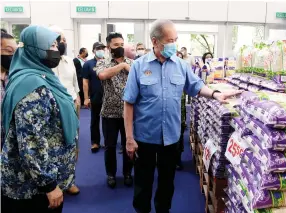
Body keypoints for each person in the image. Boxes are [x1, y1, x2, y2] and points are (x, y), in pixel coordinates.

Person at [123, 19, 242, 213]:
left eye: (175, 39)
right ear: (155, 41)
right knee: (143, 184)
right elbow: (128, 103)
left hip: (171, 137)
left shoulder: (180, 65)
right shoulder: (138, 66)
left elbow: (195, 86)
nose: (173, 44)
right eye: (169, 40)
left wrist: (215, 94)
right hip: (144, 137)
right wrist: (129, 138)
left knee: (167, 184)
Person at [1, 25, 78, 213]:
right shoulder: (32, 85)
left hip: (38, 183)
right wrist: (49, 185)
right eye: (50, 45)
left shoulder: (40, 77)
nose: (56, 49)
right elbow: (31, 142)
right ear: (35, 50)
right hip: (32, 189)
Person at [96, 32, 134, 188]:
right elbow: (103, 75)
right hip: (109, 113)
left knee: (129, 145)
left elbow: (141, 79)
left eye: (122, 44)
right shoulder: (103, 62)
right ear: (108, 47)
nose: (120, 47)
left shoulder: (133, 62)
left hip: (129, 113)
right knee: (110, 146)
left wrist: (127, 65)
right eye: (116, 45)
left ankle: (127, 173)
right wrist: (122, 66)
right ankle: (110, 174)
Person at [50, 25, 80, 195]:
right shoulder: (44, 62)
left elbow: (74, 84)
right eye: (60, 40)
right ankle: (53, 184)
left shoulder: (70, 62)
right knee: (54, 145)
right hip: (52, 108)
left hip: (71, 106)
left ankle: (69, 181)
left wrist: (78, 100)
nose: (63, 43)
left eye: (64, 40)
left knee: (72, 144)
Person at [83, 42, 105, 153]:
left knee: (108, 121)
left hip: (108, 97)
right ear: (93, 51)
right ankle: (95, 142)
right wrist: (86, 98)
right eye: (98, 48)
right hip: (95, 96)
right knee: (95, 120)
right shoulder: (88, 64)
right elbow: (85, 82)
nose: (101, 50)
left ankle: (108, 140)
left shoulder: (109, 63)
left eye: (102, 48)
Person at [1, 30, 17, 148]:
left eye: (16, 52)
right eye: (9, 51)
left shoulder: (13, 77)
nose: (13, 56)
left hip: (9, 141)